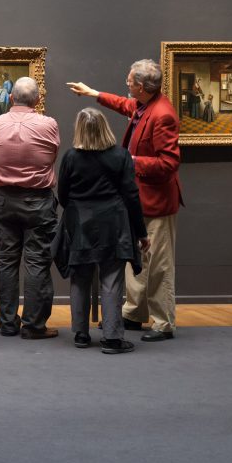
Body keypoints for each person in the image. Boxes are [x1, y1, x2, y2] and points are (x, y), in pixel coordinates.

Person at [68, 59, 182, 342]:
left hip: (156, 201)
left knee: (158, 265)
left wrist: (128, 162)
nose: (126, 85)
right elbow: (124, 104)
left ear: (141, 86)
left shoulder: (162, 114)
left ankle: (163, 323)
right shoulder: (144, 105)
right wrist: (93, 93)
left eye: (129, 82)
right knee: (136, 260)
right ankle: (133, 313)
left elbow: (168, 163)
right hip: (137, 199)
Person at [56, 108, 149, 354]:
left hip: (80, 223)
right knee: (112, 280)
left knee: (80, 278)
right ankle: (112, 338)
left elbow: (62, 195)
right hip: (113, 224)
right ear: (105, 127)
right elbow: (131, 195)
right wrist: (141, 232)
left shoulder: (70, 157)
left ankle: (81, 333)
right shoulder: (121, 156)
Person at [0, 77, 60, 339]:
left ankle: (7, 322)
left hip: (5, 199)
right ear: (37, 100)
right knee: (37, 262)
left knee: (6, 261)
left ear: (10, 98)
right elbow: (51, 157)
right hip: (38, 200)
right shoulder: (48, 124)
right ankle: (33, 325)